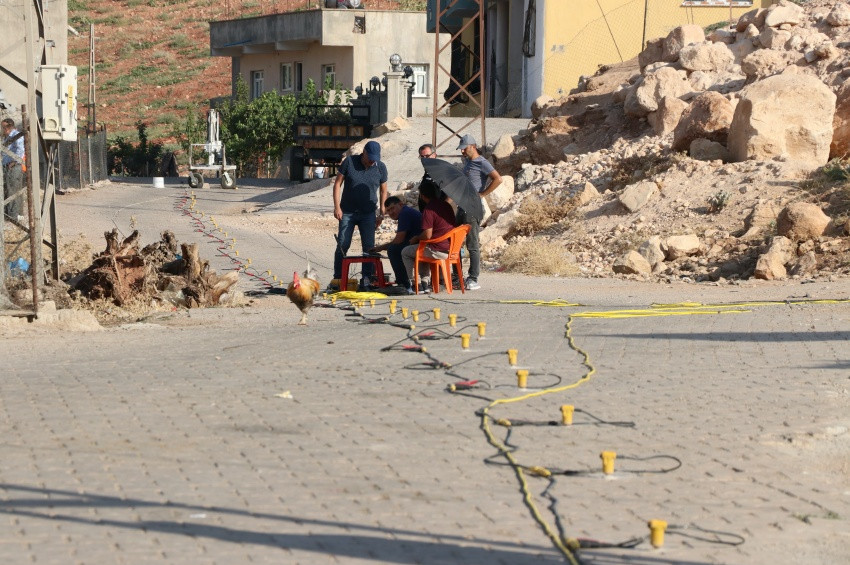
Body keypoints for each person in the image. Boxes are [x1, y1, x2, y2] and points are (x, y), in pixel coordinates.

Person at [332, 140, 388, 290]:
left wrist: (382, 213)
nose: (371, 162)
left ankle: (367, 280)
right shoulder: (349, 162)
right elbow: (337, 184)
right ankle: (338, 279)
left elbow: (383, 190)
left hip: (368, 213)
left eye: (374, 159)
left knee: (369, 248)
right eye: (370, 158)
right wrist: (337, 207)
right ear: (364, 152)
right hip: (348, 212)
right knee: (343, 244)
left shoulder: (380, 167)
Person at [456, 134, 502, 291]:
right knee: (456, 242)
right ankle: (457, 276)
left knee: (472, 243)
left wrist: (482, 194)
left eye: (464, 149)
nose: (462, 152)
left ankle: (473, 277)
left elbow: (498, 179)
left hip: (473, 207)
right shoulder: (468, 163)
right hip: (462, 205)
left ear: (472, 146)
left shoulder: (482, 162)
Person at [401, 180, 456, 294]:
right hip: (451, 248)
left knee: (407, 251)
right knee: (422, 247)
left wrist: (416, 238)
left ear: (422, 195)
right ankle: (425, 282)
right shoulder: (447, 206)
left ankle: (415, 283)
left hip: (438, 250)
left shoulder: (429, 209)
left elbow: (427, 235)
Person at [369, 195, 421, 290]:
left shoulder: (405, 213)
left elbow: (399, 240)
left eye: (393, 208)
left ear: (401, 204)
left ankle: (403, 283)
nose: (391, 212)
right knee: (396, 248)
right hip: (419, 242)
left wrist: (380, 248)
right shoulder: (405, 212)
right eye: (388, 211)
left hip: (423, 244)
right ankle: (405, 281)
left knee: (393, 250)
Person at [2, 118, 25, 222]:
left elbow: (20, 150)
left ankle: (14, 215)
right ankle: (8, 214)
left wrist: (14, 162)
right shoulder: (7, 138)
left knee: (13, 190)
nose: (2, 129)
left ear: (8, 127)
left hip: (14, 167)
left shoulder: (17, 135)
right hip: (6, 166)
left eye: (3, 127)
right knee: (7, 190)